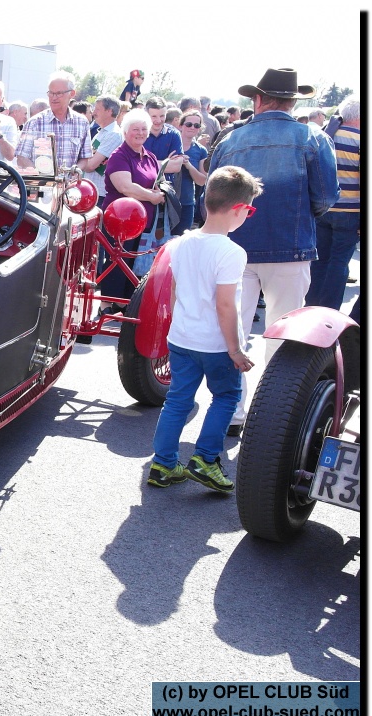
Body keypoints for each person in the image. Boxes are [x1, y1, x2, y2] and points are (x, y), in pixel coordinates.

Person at [208, 68, 339, 436]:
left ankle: (232, 410)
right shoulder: (312, 137)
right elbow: (327, 198)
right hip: (290, 248)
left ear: (258, 100)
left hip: (236, 247)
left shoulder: (231, 139)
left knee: (232, 330)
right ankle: (273, 412)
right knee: (284, 335)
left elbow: (212, 197)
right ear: (292, 102)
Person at [147, 166, 260, 492]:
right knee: (226, 397)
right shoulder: (231, 252)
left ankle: (164, 464)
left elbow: (175, 291)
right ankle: (206, 460)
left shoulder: (181, 243)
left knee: (177, 401)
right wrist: (236, 349)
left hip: (182, 338)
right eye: (249, 210)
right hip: (215, 344)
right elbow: (226, 305)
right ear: (238, 209)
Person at [101, 108, 177, 302]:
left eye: (144, 129)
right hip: (121, 222)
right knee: (117, 262)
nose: (140, 133)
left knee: (136, 262)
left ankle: (129, 302)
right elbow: (125, 187)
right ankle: (109, 303)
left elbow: (156, 181)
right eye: (135, 129)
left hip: (144, 223)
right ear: (125, 132)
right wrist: (151, 197)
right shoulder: (119, 156)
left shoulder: (150, 156)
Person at [306, 94, 360, 311]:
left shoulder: (322, 137)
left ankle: (311, 307)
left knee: (319, 262)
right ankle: (328, 313)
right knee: (339, 263)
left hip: (323, 208)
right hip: (350, 212)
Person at [16, 71, 93, 172]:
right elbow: (21, 157)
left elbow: (84, 157)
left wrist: (75, 170)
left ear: (72, 94)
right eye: (51, 93)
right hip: (41, 185)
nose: (54, 97)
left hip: (68, 185)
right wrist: (41, 176)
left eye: (59, 93)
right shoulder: (34, 123)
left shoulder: (82, 123)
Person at [80, 95, 123, 204]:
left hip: (101, 195)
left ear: (109, 111)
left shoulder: (114, 134)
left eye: (97, 109)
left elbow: (90, 166)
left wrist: (79, 161)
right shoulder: (102, 132)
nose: (94, 113)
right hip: (92, 192)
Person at [172, 110, 208, 235]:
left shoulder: (201, 150)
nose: (192, 128)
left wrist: (188, 165)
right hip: (166, 201)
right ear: (181, 125)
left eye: (196, 125)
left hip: (186, 202)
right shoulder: (170, 144)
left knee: (181, 240)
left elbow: (202, 180)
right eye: (189, 124)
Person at [142, 96, 184, 180]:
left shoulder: (174, 134)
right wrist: (166, 163)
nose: (158, 120)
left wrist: (144, 164)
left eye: (162, 116)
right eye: (154, 116)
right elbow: (133, 164)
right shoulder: (138, 133)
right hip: (141, 186)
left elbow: (176, 166)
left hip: (165, 187)